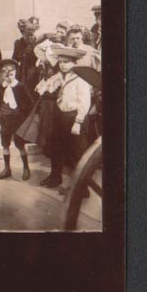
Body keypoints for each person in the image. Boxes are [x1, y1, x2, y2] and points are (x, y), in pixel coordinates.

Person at [40, 46, 91, 189]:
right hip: (61, 116)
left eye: (66, 62)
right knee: (56, 148)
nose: (62, 65)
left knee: (78, 153)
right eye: (61, 62)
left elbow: (85, 103)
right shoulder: (62, 77)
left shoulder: (81, 79)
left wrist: (78, 122)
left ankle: (82, 188)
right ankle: (55, 177)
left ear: (74, 63)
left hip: (74, 117)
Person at [0, 59, 33, 181]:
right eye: (4, 73)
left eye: (11, 73)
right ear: (1, 75)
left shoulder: (20, 87)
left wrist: (21, 113)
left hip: (18, 120)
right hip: (5, 120)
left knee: (20, 145)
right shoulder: (0, 88)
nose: (8, 76)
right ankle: (7, 169)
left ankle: (26, 168)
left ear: (15, 72)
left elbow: (30, 104)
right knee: (5, 145)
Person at [12, 17, 41, 96]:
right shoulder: (18, 43)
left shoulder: (37, 42)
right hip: (22, 72)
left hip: (34, 73)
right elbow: (14, 60)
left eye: (32, 34)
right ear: (22, 33)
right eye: (27, 35)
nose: (30, 37)